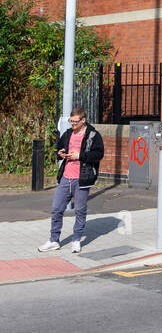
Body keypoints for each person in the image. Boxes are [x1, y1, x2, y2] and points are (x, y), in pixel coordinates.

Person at [38, 106, 104, 254]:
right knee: (56, 209)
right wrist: (60, 152)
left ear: (83, 120)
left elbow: (99, 154)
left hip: (82, 179)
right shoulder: (68, 133)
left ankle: (76, 240)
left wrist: (79, 156)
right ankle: (54, 240)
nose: (72, 125)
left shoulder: (93, 135)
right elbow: (59, 147)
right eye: (71, 121)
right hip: (65, 177)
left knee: (80, 211)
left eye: (75, 122)